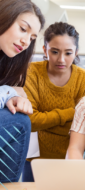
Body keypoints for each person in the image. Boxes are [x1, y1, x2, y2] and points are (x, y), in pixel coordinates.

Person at [22, 22, 85, 182]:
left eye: (68, 53)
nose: (61, 59)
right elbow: (30, 122)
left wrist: (45, 123)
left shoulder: (83, 78)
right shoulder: (31, 72)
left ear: (76, 53)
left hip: (72, 158)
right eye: (54, 51)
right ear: (45, 49)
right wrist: (70, 113)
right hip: (34, 161)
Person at [0, 0, 45, 183]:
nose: (26, 42)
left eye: (32, 37)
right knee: (19, 122)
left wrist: (10, 94)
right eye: (23, 29)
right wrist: (9, 93)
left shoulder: (8, 62)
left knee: (20, 119)